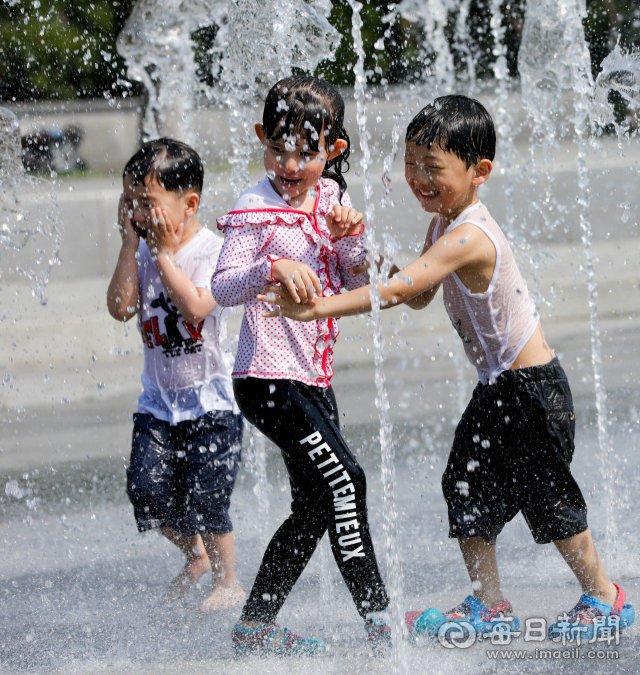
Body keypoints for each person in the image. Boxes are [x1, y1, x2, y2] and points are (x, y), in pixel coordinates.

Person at [260, 95, 635, 640]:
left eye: (433, 168)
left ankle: (605, 594)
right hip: (497, 389)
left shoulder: (469, 234)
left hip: (532, 390)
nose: (418, 178)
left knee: (546, 494)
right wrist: (363, 252)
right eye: (411, 164)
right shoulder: (442, 227)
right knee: (463, 485)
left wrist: (315, 307)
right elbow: (416, 294)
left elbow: (402, 290)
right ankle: (490, 603)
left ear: (479, 171)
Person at [211, 76, 438, 655]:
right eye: (278, 148)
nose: (290, 163)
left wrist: (354, 238)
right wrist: (272, 267)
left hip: (312, 379)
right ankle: (379, 620)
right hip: (264, 379)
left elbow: (358, 279)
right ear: (263, 137)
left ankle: (254, 628)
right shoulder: (253, 207)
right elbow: (222, 285)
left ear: (331, 151)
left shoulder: (331, 200)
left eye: (306, 152)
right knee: (348, 479)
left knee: (314, 506)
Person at [107, 138, 245, 613]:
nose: (139, 214)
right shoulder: (140, 250)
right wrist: (131, 244)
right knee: (146, 494)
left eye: (147, 203)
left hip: (212, 405)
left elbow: (196, 308)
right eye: (131, 203)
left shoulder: (214, 252)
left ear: (189, 203)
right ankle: (196, 557)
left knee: (208, 499)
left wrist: (164, 255)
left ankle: (228, 580)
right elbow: (121, 308)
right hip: (158, 406)